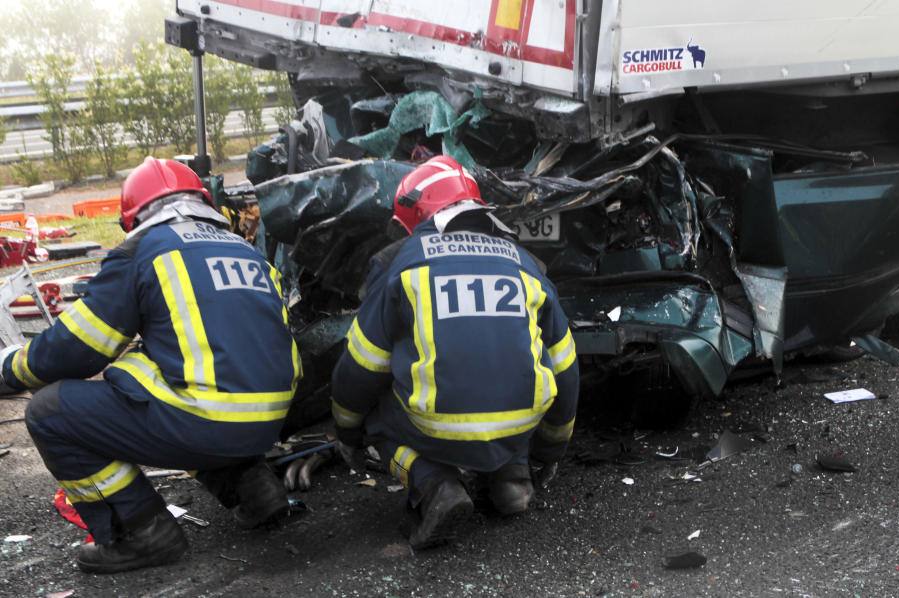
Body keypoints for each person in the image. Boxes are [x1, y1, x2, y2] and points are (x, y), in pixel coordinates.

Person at [0, 158, 302, 573]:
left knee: (50, 412)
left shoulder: (143, 252)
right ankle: (254, 489)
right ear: (203, 203)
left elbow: (77, 348)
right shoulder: (247, 252)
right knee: (181, 382)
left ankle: (140, 531)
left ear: (133, 216)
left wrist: (11, 370)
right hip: (269, 421)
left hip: (208, 423)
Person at [330, 155, 579, 548]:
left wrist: (346, 429)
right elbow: (565, 367)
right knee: (519, 378)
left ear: (413, 218)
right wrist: (551, 448)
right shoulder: (528, 265)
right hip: (520, 426)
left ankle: (434, 487)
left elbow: (361, 366)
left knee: (373, 414)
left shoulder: (399, 265)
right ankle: (512, 479)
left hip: (435, 427)